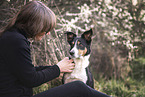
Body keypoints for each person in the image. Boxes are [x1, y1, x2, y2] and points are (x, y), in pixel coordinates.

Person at [0, 1, 110, 97]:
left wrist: (58, 68)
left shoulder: (12, 37)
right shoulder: (17, 41)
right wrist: (57, 69)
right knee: (79, 87)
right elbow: (31, 79)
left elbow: (27, 72)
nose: (48, 33)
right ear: (35, 25)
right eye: (46, 28)